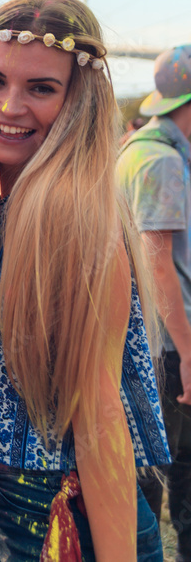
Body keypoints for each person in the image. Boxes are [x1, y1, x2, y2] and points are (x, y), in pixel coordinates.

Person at [0, 0, 170, 561]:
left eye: (41, 88)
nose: (9, 106)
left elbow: (99, 421)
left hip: (73, 525)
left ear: (78, 101)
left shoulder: (74, 222)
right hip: (10, 512)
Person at [116, 43, 191, 562]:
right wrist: (189, 354)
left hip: (146, 340)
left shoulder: (138, 148)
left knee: (149, 469)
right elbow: (157, 260)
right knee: (177, 476)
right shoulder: (160, 161)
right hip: (169, 348)